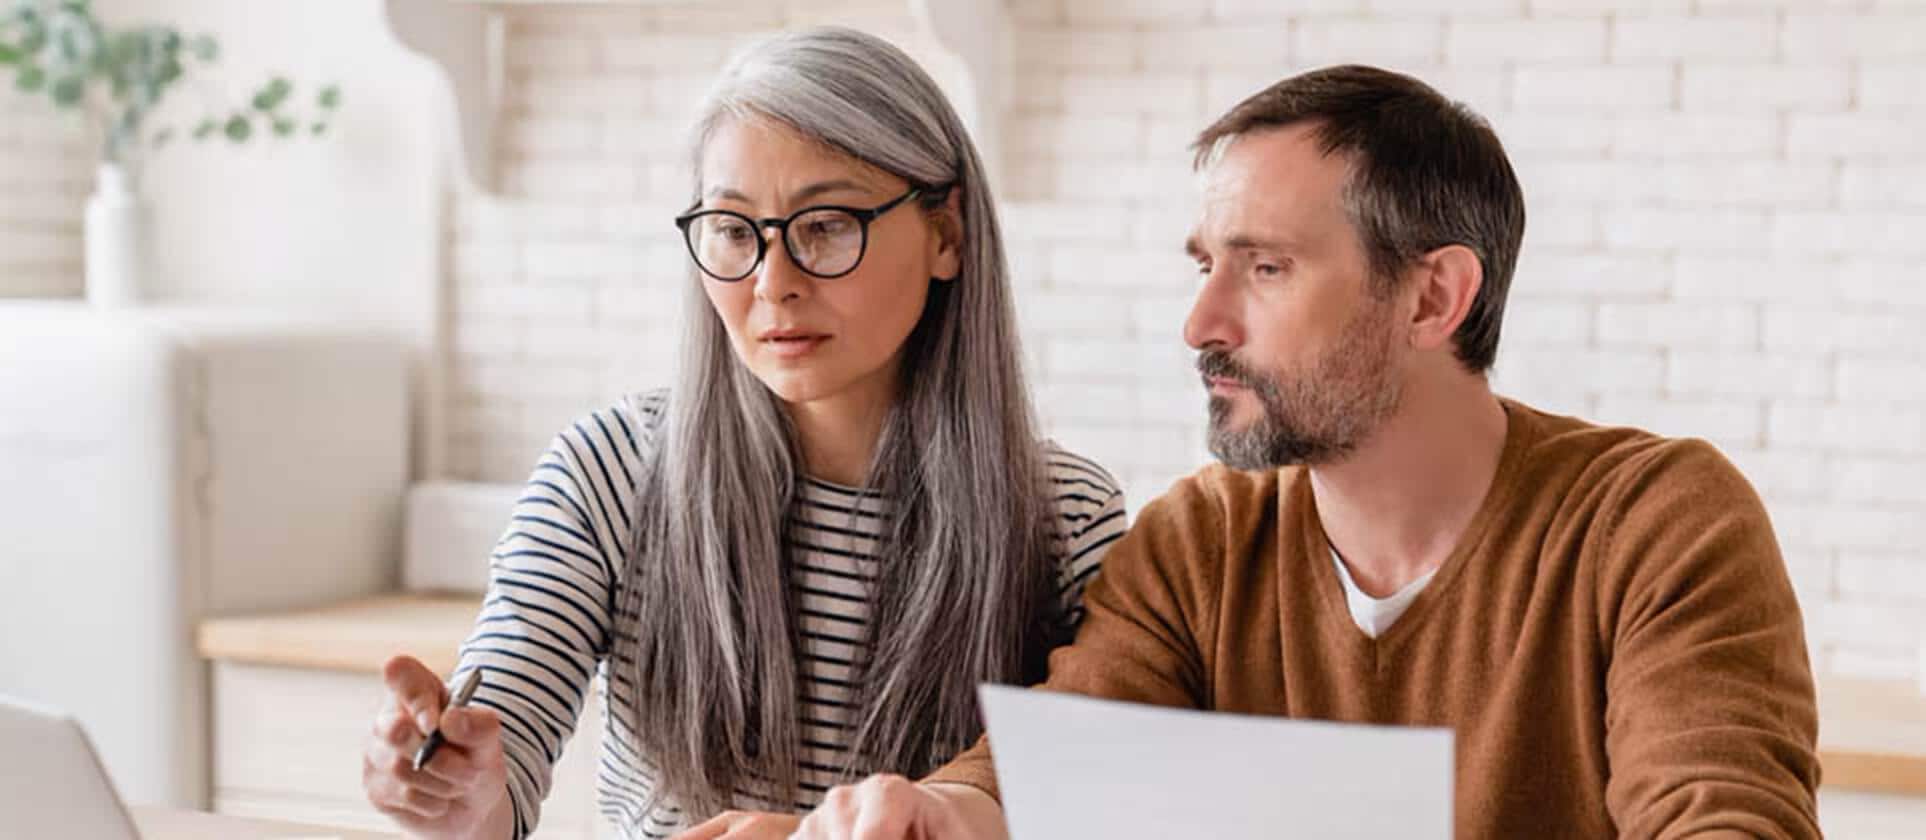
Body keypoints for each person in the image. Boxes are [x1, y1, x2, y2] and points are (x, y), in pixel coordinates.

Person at [793, 64, 1821, 840]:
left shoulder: (1655, 521)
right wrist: (942, 809)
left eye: (1268, 268)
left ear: (1433, 297)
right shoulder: (1203, 538)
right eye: (1206, 267)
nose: (1201, 321)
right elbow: (1061, 757)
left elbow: (1724, 816)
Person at [358, 27, 1127, 840]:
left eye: (826, 225)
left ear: (947, 234)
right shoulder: (610, 471)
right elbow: (498, 763)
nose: (773, 284)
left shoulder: (1065, 517)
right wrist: (453, 787)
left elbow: (1097, 805)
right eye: (732, 230)